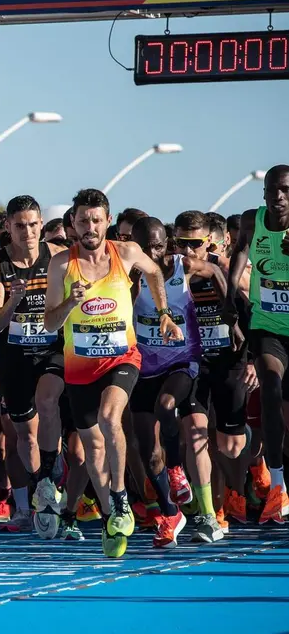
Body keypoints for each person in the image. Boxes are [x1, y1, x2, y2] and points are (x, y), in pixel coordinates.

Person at [44, 189, 181, 559]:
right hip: (80, 365)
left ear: (107, 221)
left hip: (122, 358)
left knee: (110, 417)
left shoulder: (126, 253)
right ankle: (111, 517)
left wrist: (164, 313)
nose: (90, 227)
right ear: (72, 223)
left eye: (96, 219)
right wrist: (70, 302)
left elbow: (155, 273)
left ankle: (120, 499)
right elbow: (49, 322)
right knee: (93, 448)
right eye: (83, 220)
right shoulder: (60, 265)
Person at [130, 216, 219, 546]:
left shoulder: (184, 265)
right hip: (144, 365)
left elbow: (218, 272)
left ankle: (177, 468)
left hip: (183, 360)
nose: (152, 252)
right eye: (144, 247)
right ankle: (171, 513)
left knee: (167, 406)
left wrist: (230, 314)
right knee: (147, 450)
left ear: (166, 244)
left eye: (157, 245)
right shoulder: (129, 273)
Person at [0, 196, 67, 538]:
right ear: (8, 227)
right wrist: (14, 299)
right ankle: (38, 496)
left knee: (48, 402)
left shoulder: (58, 257)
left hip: (53, 351)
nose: (28, 232)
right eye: (20, 226)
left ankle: (49, 474)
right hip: (16, 354)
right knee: (24, 434)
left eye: (34, 224)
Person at [175, 210, 252, 531]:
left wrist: (253, 361)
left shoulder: (228, 268)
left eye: (194, 243)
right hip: (193, 363)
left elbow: (252, 310)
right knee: (196, 436)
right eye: (181, 242)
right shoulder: (172, 272)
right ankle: (211, 512)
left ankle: (250, 473)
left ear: (209, 241)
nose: (188, 250)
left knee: (229, 446)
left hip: (230, 360)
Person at [224, 165, 289, 524]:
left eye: (284, 190)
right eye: (271, 190)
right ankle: (276, 485)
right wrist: (232, 292)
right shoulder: (253, 220)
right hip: (268, 327)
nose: (277, 197)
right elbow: (240, 251)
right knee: (270, 388)